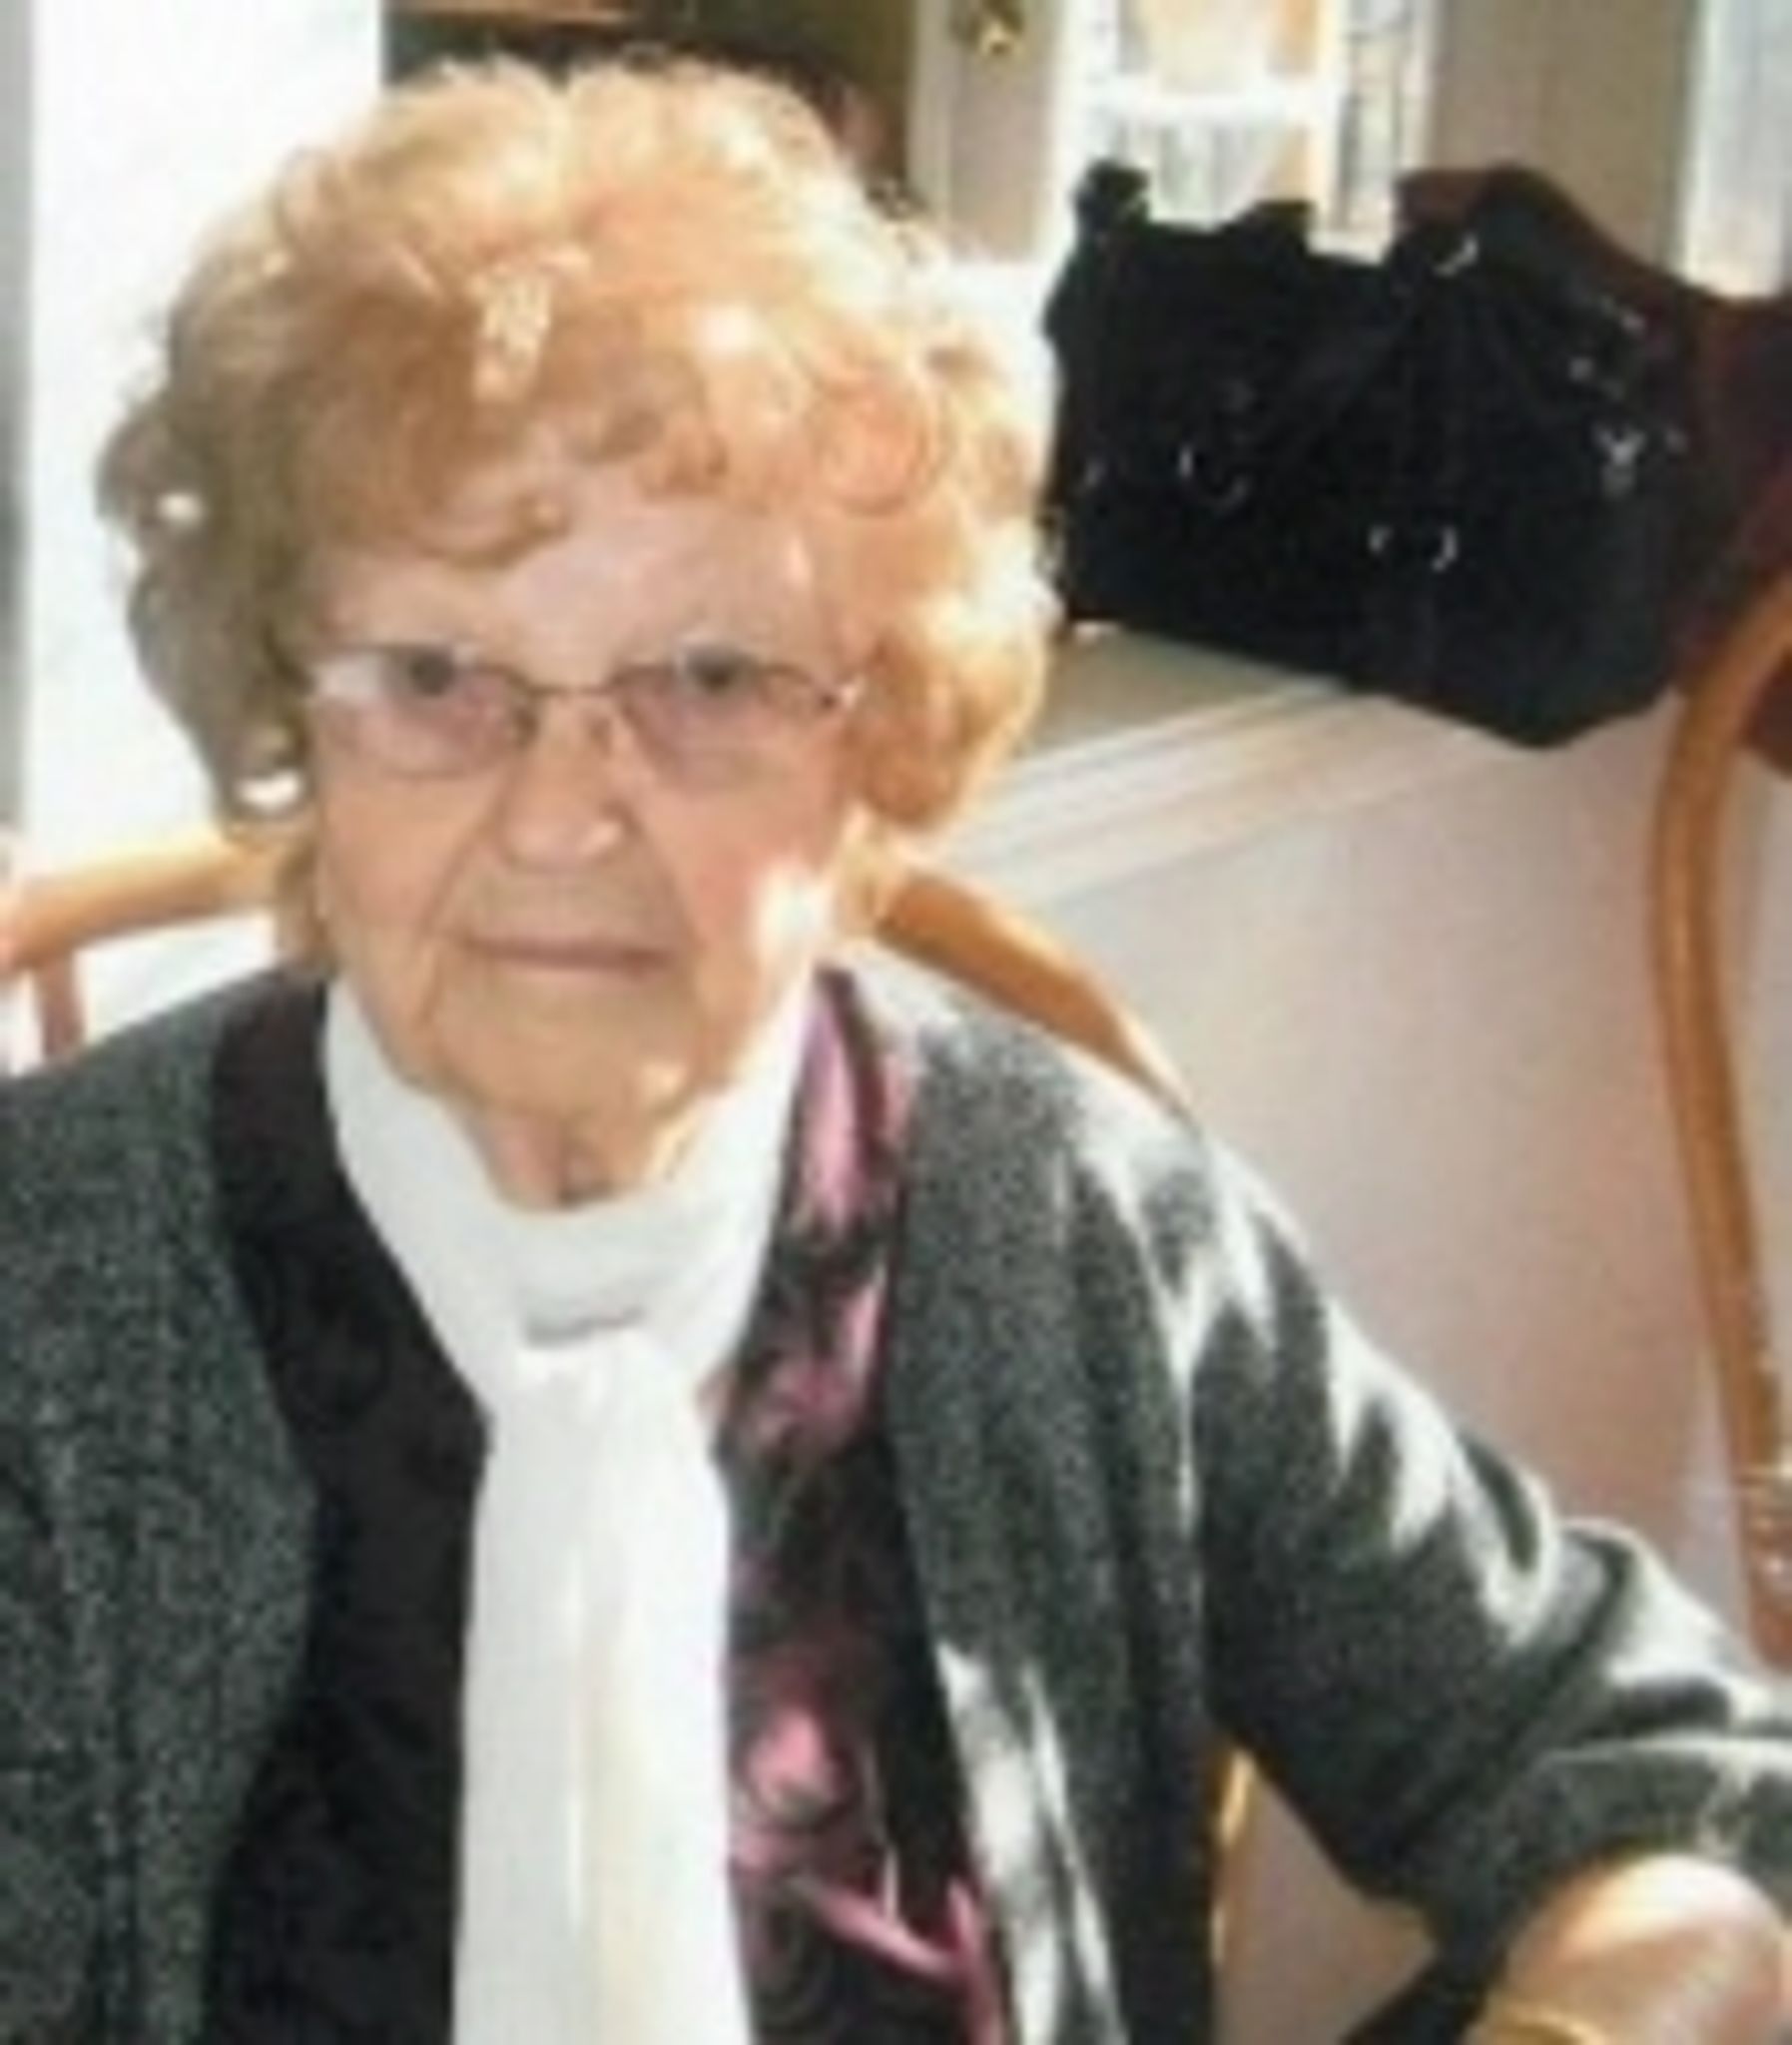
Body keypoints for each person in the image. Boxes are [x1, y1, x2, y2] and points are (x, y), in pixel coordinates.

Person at [0, 54, 1787, 2045]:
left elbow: (1659, 1780)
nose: (561, 813)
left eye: (706, 678)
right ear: (290, 710)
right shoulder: (48, 1296)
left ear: (879, 744)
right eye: (433, 676)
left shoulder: (1070, 1226)